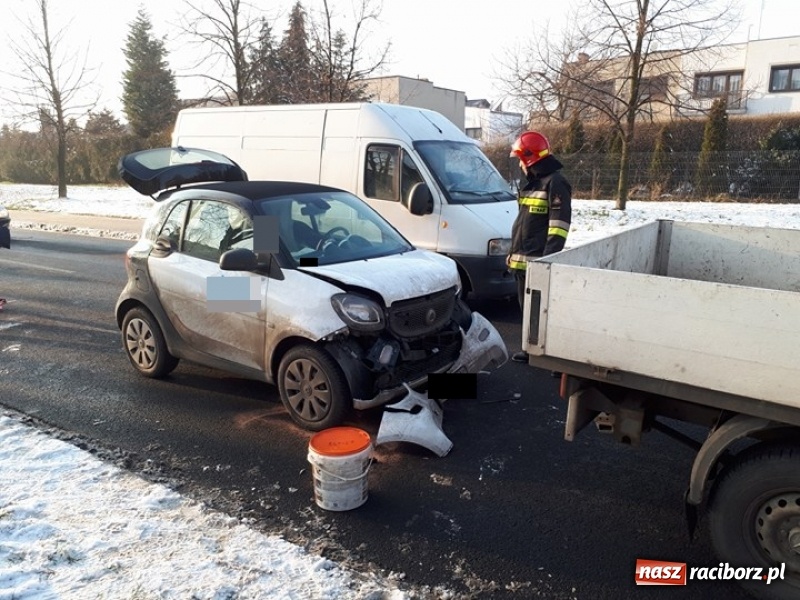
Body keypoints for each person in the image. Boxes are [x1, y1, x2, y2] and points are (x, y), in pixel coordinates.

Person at [507, 131, 572, 362]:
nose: (519, 164)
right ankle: (530, 349)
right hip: (523, 262)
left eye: (520, 159)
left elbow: (558, 228)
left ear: (529, 158)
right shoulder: (534, 184)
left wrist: (546, 262)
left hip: (537, 263)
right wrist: (512, 253)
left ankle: (547, 356)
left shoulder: (555, 183)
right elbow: (523, 224)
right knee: (528, 311)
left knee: (541, 312)